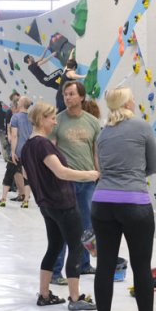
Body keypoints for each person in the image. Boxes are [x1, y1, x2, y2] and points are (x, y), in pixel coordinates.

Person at [91, 86, 156, 311]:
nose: (134, 100)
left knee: (105, 265)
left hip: (102, 202)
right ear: (127, 103)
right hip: (134, 202)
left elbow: (101, 168)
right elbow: (154, 165)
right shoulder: (142, 127)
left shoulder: (103, 134)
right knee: (141, 265)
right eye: (132, 98)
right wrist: (134, 175)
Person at [20, 101, 99, 311]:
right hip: (62, 203)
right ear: (41, 119)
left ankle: (44, 294)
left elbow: (27, 174)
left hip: (46, 205)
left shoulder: (27, 146)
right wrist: (90, 174)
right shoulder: (43, 144)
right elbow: (61, 172)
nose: (55, 122)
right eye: (52, 118)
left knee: (54, 246)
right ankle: (75, 297)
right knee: (76, 247)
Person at [49, 82, 101, 284]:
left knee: (87, 226)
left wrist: (99, 175)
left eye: (71, 94)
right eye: (65, 94)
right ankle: (56, 272)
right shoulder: (57, 120)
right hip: (65, 182)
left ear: (81, 97)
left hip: (87, 182)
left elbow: (95, 152)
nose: (67, 97)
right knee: (64, 227)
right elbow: (51, 150)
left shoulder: (92, 122)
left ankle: (84, 264)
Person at [0, 96, 31, 207]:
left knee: (9, 173)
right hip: (28, 151)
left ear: (20, 104)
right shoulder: (32, 117)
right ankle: (26, 200)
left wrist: (12, 151)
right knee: (26, 176)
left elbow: (14, 136)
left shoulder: (15, 117)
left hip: (18, 151)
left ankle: (3, 199)